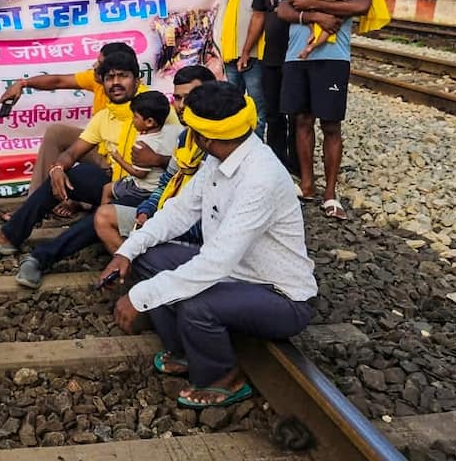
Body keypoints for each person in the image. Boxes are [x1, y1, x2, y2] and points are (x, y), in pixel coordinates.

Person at [98, 81, 316, 408]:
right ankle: (187, 351)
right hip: (234, 276)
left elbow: (215, 262)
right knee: (147, 257)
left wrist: (139, 295)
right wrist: (126, 250)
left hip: (280, 296)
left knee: (195, 305)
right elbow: (179, 212)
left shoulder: (261, 178)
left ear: (204, 136)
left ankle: (224, 378)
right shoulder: (218, 158)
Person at [0, 48, 152, 289]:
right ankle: (9, 235)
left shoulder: (153, 109)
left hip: (145, 195)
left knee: (101, 216)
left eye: (123, 76)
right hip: (115, 183)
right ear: (102, 82)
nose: (115, 83)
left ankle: (40, 259)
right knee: (71, 174)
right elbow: (73, 152)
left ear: (137, 80)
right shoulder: (106, 115)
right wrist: (57, 169)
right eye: (109, 77)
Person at [277, 0, 388, 219]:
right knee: (300, 120)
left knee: (331, 125)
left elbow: (362, 5)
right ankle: (308, 186)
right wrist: (316, 15)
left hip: (333, 56)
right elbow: (284, 10)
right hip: (296, 56)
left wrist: (310, 3)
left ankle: (330, 194)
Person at [0, 42, 167, 217]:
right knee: (57, 133)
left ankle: (81, 202)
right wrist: (22, 83)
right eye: (103, 69)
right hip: (101, 149)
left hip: (123, 162)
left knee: (83, 173)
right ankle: (32, 206)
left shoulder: (142, 100)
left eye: (100, 64)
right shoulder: (98, 80)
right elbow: (58, 81)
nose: (95, 67)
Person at [94, 65, 214, 255]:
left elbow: (210, 215)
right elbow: (166, 184)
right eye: (177, 98)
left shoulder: (217, 143)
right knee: (103, 217)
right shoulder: (185, 138)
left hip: (196, 226)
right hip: (168, 214)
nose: (181, 106)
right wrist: (146, 211)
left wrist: (160, 226)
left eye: (189, 98)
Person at [242, 0, 311, 174]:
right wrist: (246, 51)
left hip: (300, 57)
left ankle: (298, 167)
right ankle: (276, 165)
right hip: (271, 56)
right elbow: (259, 15)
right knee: (273, 114)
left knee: (297, 116)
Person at [220, 0, 270, 137]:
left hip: (256, 55)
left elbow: (262, 17)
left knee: (257, 109)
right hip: (232, 51)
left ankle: (254, 153)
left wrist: (247, 51)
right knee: (230, 106)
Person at [99, 90, 179, 206]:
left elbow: (139, 174)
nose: (133, 120)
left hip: (144, 189)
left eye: (135, 117)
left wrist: (118, 159)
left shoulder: (142, 144)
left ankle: (101, 214)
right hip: (166, 185)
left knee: (107, 189)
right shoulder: (175, 130)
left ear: (150, 122)